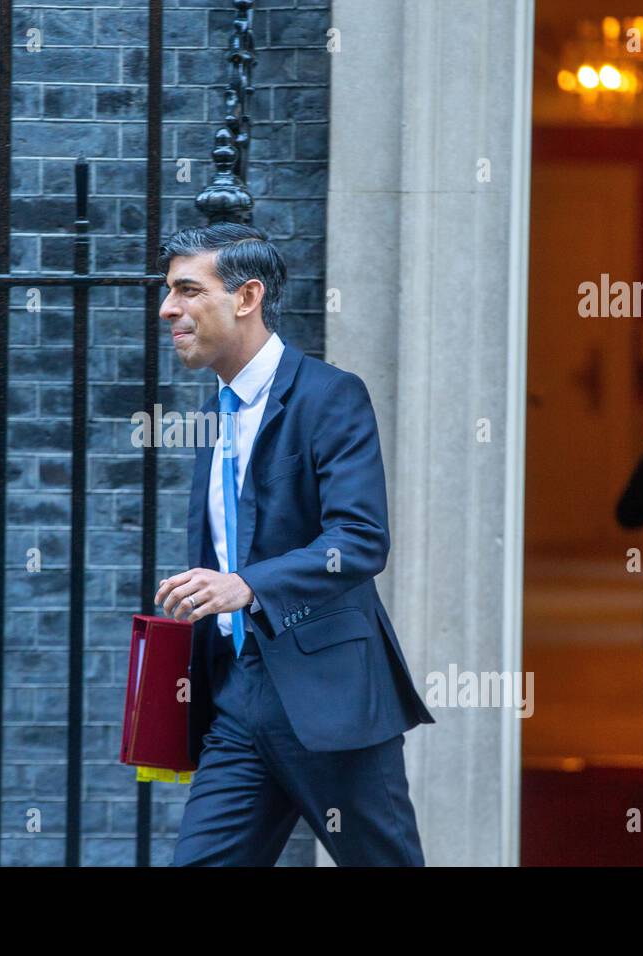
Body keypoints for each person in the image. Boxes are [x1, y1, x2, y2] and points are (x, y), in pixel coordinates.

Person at [154, 223, 435, 866]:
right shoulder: (216, 413)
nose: (168, 309)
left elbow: (360, 540)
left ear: (246, 297)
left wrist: (247, 584)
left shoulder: (331, 397)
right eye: (169, 292)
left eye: (187, 290)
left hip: (329, 700)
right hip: (238, 699)